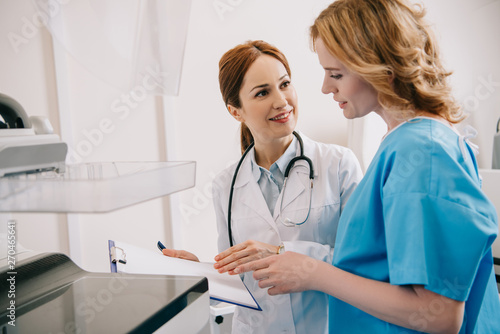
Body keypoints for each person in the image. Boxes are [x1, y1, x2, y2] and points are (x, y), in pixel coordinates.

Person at [234, 1, 500, 333]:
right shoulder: (406, 143)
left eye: (336, 74)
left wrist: (313, 272)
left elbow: (440, 315)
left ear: (379, 67)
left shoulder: (421, 151)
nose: (325, 87)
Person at [162, 40, 363, 333]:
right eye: (263, 92)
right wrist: (198, 273)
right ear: (236, 111)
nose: (281, 100)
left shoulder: (338, 164)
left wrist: (281, 253)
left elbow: (361, 261)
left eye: (285, 84)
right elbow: (237, 278)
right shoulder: (225, 185)